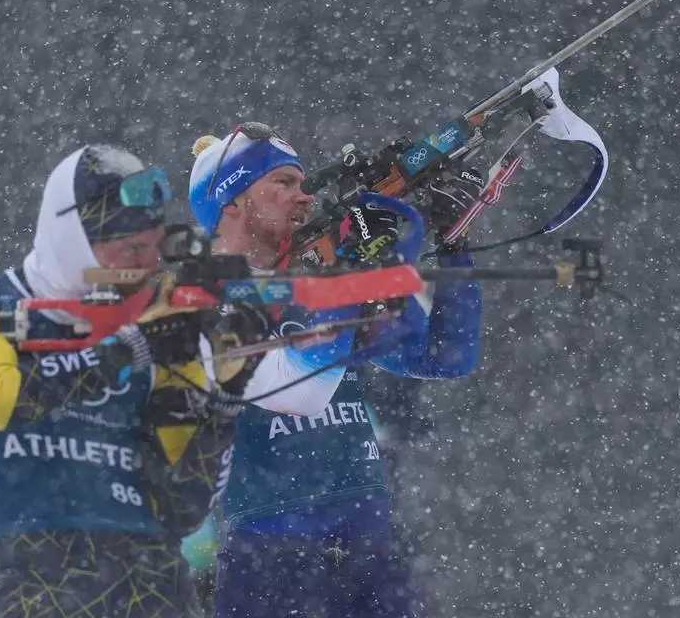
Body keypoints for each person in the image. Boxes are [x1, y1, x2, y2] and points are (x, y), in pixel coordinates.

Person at [187, 123, 485, 618]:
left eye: (304, 184)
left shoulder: (314, 276)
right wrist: (348, 265)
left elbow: (445, 355)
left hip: (373, 553)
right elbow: (302, 387)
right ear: (231, 204)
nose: (303, 198)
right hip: (272, 568)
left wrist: (455, 243)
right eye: (282, 183)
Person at [0, 144, 253, 617]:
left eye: (153, 249)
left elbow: (183, 508)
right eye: (131, 249)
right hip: (43, 595)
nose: (148, 266)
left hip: (158, 594)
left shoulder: (160, 319)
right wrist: (129, 347)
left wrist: (228, 394)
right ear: (73, 240)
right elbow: (4, 400)